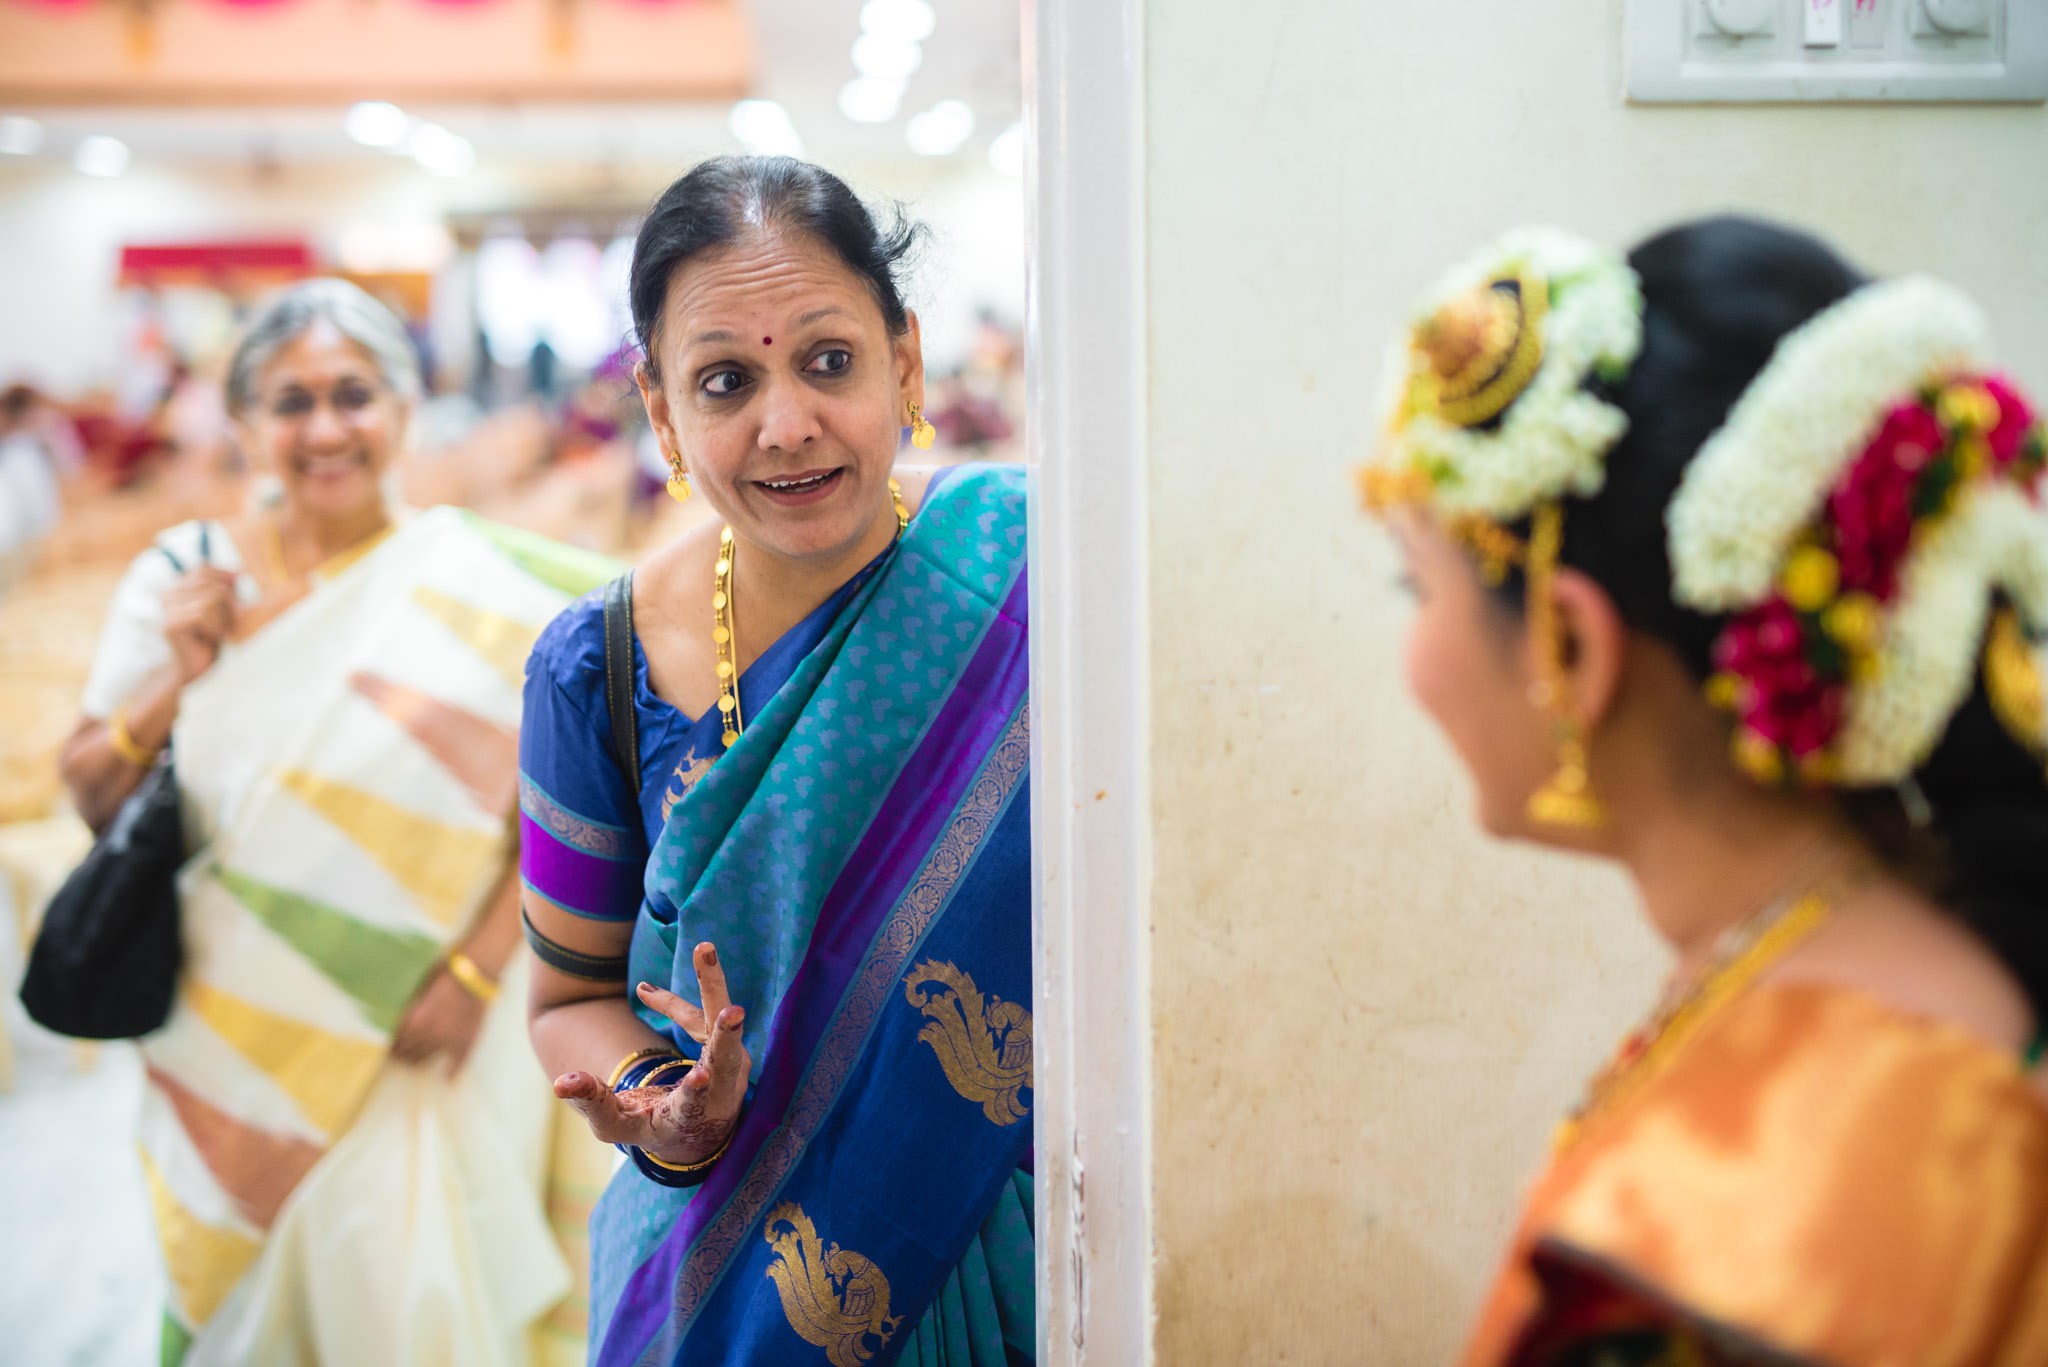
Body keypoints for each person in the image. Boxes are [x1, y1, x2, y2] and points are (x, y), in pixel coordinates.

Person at [1360, 218, 2048, 1365]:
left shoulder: (1741, 1218)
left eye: (1410, 583)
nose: (1410, 650)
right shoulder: (1930, 941)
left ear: (1569, 647)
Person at [519, 156, 1033, 1367]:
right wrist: (666, 1103)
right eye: (724, 380)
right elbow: (567, 995)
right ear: (660, 411)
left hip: (1028, 1242)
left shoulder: (1037, 568)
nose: (786, 422)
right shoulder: (593, 666)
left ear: (903, 362)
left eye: (829, 360)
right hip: (726, 1281)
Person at [60, 278, 612, 1365]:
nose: (324, 429)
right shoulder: (179, 575)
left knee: (408, 1301)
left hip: (423, 1015)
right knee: (255, 1300)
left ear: (404, 406)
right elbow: (87, 791)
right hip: (228, 1021)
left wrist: (472, 973)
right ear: (244, 418)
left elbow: (566, 810)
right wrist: (176, 674)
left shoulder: (492, 585)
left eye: (353, 394)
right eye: (289, 400)